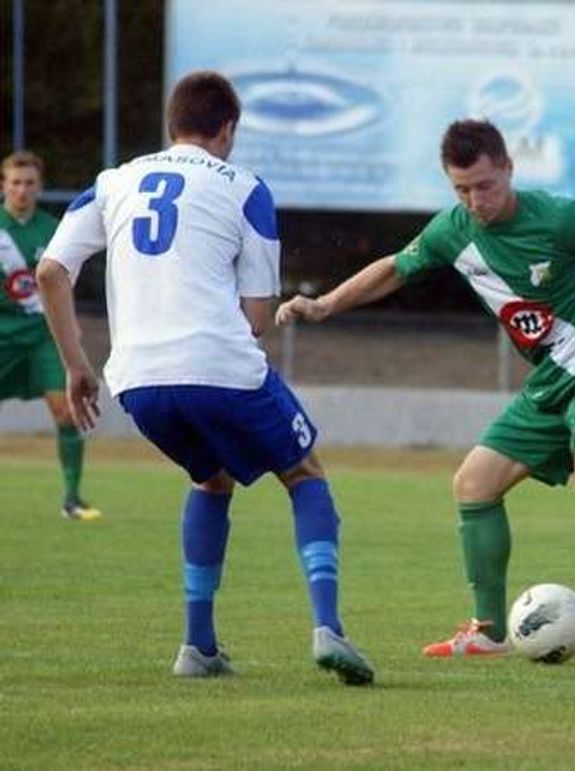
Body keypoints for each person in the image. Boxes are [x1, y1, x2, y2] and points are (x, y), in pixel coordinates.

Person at [277, 119, 575, 667]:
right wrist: (325, 304)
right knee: (474, 482)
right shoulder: (453, 230)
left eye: (485, 186)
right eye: (461, 189)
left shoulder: (559, 219)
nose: (475, 200)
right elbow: (395, 269)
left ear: (509, 171)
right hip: (548, 383)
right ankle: (490, 630)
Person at [35, 71, 374, 685]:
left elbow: (51, 272)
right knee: (303, 472)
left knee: (211, 478)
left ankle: (199, 646)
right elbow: (258, 318)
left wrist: (76, 363)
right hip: (218, 364)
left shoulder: (113, 182)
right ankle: (328, 629)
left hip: (136, 379)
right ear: (228, 130)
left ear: (172, 125)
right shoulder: (245, 187)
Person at [0, 151, 100, 521]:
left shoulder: (52, 228)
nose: (22, 189)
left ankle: (72, 499)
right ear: (3, 185)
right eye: (15, 182)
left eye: (29, 183)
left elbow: (61, 285)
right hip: (2, 331)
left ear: (39, 187)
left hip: (43, 335)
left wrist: (71, 330)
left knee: (65, 410)